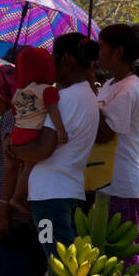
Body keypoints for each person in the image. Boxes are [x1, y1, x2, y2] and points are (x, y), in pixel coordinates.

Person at [13, 33, 100, 259]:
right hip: (70, 190)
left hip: (48, 196)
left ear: (66, 59)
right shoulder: (89, 96)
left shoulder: (64, 98)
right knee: (69, 260)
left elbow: (43, 149)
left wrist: (13, 150)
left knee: (56, 259)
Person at [95, 24, 139, 273]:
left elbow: (106, 134)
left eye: (102, 47)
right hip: (104, 178)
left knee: (122, 254)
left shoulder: (129, 87)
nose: (98, 53)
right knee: (102, 252)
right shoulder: (110, 84)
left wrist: (87, 99)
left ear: (117, 51)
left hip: (121, 181)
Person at [0, 61, 46, 276]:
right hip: (28, 210)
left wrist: (3, 209)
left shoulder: (9, 118)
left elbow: (12, 166)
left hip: (13, 214)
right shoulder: (30, 111)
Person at [2, 48, 68, 213]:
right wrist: (60, 131)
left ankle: (18, 196)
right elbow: (53, 111)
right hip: (32, 133)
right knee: (29, 168)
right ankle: (17, 198)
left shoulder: (19, 92)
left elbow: (16, 112)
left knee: (24, 167)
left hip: (18, 132)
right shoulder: (48, 90)